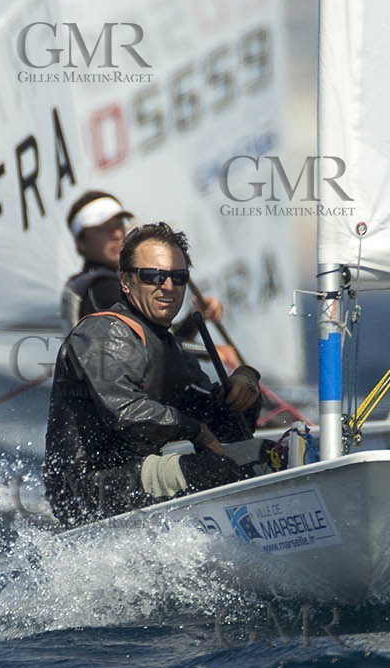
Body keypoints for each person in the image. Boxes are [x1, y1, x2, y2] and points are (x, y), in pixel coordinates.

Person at [43, 222, 270, 525]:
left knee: (267, 456)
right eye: (153, 276)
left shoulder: (168, 346)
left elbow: (226, 429)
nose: (168, 286)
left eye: (179, 278)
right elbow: (127, 415)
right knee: (216, 472)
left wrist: (244, 386)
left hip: (143, 469)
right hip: (87, 490)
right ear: (126, 281)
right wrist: (195, 431)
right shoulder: (103, 333)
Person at [63, 190, 223, 345]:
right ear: (81, 242)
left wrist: (195, 319)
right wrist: (210, 351)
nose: (117, 234)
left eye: (119, 225)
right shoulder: (102, 288)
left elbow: (159, 340)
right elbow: (160, 346)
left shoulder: (90, 285)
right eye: (102, 228)